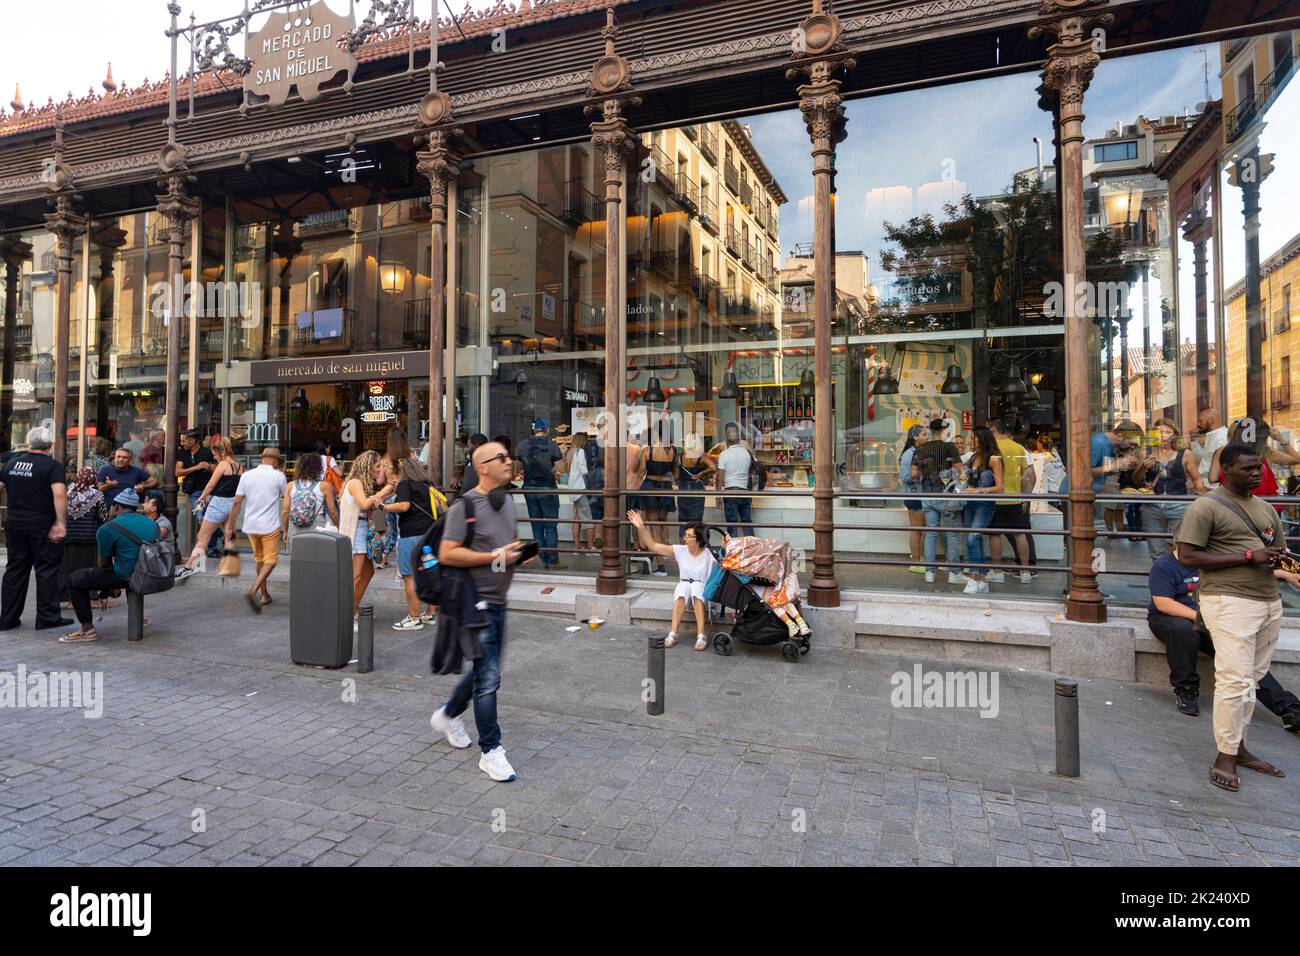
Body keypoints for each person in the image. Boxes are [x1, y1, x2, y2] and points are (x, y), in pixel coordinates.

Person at [1177, 443, 1292, 792]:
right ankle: (1225, 755)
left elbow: (1275, 551)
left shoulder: (1265, 508)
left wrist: (1280, 560)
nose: (1257, 473)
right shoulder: (1206, 506)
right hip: (1229, 603)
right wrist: (1247, 556)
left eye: (1259, 467)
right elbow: (1187, 556)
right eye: (1248, 468)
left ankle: (1238, 747)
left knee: (1249, 681)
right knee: (1234, 681)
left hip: (1268, 602)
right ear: (1226, 469)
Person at [428, 440, 533, 782]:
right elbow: (446, 553)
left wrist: (520, 554)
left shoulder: (507, 503)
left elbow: (503, 551)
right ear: (483, 467)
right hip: (476, 603)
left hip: (499, 601)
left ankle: (448, 714)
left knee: (484, 672)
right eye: (501, 457)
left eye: (509, 455)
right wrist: (494, 556)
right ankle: (492, 751)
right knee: (489, 678)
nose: (509, 461)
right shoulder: (465, 506)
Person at [1148, 528, 1300, 728]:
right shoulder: (1164, 565)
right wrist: (1204, 619)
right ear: (1182, 545)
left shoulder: (1209, 561)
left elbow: (1247, 568)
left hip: (1211, 619)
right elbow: (1163, 604)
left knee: (1243, 660)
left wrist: (1286, 575)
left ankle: (1289, 709)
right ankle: (1186, 689)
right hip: (1171, 618)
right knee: (1183, 630)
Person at [61, 488, 158, 644]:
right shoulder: (152, 524)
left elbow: (103, 563)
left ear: (116, 507)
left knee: (74, 579)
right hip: (150, 574)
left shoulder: (107, 528)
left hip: (126, 576)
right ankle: (137, 616)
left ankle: (87, 629)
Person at [0, 427, 70, 631]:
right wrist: (61, 523)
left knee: (15, 569)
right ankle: (47, 617)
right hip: (41, 524)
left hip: (14, 523)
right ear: (49, 445)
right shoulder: (53, 466)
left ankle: (8, 618)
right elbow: (59, 495)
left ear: (29, 443)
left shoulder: (11, 463)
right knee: (47, 568)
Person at [629, 510, 720, 651]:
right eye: (685, 535)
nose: (685, 538)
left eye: (689, 536)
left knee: (696, 585)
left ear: (699, 539)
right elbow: (653, 546)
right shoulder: (680, 550)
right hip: (686, 595)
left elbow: (726, 563)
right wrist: (641, 526)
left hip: (705, 596)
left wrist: (726, 545)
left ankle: (701, 634)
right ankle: (673, 632)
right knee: (683, 586)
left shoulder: (710, 554)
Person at [338, 450, 396, 630]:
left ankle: (353, 609)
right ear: (368, 465)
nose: (379, 470)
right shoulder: (355, 482)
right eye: (377, 466)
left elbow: (370, 502)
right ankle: (348, 614)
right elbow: (364, 504)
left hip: (361, 530)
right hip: (356, 531)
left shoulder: (359, 483)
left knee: (368, 572)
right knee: (356, 576)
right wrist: (385, 491)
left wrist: (384, 493)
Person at [1131, 418, 1205, 559]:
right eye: (1159, 432)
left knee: (1177, 548)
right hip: (1151, 506)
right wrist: (1143, 467)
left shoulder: (1185, 453)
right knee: (1156, 550)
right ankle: (1162, 579)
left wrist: (1199, 498)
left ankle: (1176, 579)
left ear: (1174, 434)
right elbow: (1136, 479)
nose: (1163, 435)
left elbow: (1197, 478)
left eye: (1167, 432)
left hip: (1179, 506)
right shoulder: (1146, 452)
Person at [382, 457, 441, 631]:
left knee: (410, 577)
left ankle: (414, 618)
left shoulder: (405, 484)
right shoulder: (427, 485)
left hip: (411, 535)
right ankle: (430, 614)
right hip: (430, 535)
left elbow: (404, 506)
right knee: (430, 574)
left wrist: (382, 506)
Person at [176, 438, 243, 581]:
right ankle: (227, 566)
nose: (214, 457)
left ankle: (190, 566)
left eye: (215, 454)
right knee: (228, 534)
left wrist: (201, 498)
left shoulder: (223, 464)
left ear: (222, 452)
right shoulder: (240, 467)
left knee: (202, 537)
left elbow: (211, 485)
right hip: (233, 504)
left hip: (218, 503)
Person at [1209, 417, 1300, 514]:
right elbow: (1296, 459)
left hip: (1232, 505)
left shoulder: (1222, 451)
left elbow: (1213, 478)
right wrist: (1281, 439)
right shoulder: (1265, 452)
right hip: (1265, 506)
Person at [910, 419, 962, 585]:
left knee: (931, 532)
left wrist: (926, 475)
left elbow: (913, 474)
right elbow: (961, 471)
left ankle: (929, 573)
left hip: (927, 496)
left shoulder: (921, 449)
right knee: (951, 533)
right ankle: (954, 573)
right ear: (944, 430)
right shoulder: (949, 447)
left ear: (931, 431)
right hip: (946, 495)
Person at [986, 418, 1035, 584]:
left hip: (995, 499)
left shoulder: (991, 449)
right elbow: (1028, 476)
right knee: (1020, 534)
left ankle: (997, 571)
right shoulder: (1019, 448)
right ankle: (1025, 572)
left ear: (993, 430)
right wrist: (1026, 500)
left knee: (994, 535)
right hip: (1015, 498)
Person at [959, 425, 1003, 595]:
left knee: (972, 537)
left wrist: (978, 490)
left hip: (985, 504)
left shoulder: (993, 458)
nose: (970, 441)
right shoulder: (974, 457)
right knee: (975, 540)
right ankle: (982, 579)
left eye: (972, 438)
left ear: (981, 439)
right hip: (970, 503)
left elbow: (1000, 487)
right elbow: (965, 477)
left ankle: (972, 578)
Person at [516, 419, 565, 569]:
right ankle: (553, 560)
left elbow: (517, 467)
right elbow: (561, 469)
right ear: (547, 430)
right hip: (547, 488)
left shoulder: (522, 445)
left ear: (533, 430)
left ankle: (544, 560)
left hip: (530, 488)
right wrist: (562, 455)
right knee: (550, 526)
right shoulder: (552, 445)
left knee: (536, 526)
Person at [59, 467, 109, 610]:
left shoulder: (66, 493)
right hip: (89, 539)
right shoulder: (97, 495)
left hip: (68, 539)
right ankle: (91, 599)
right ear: (93, 478)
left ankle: (71, 601)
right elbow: (103, 518)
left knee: (69, 569)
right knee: (89, 570)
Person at [1091, 421, 1142, 537]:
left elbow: (1104, 470)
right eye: (1131, 442)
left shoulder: (1110, 446)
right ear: (1120, 436)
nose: (1131, 447)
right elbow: (1084, 471)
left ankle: (1117, 531)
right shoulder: (1098, 443)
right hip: (1077, 495)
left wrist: (1124, 466)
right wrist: (1117, 465)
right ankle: (1111, 532)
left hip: (1094, 492)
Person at [282, 451, 339, 552]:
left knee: (297, 560)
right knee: (315, 559)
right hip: (316, 527)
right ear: (318, 468)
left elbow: (285, 512)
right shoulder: (324, 486)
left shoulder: (290, 485)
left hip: (295, 528)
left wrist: (285, 531)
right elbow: (333, 512)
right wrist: (338, 526)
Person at [641, 423, 678, 576]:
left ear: (656, 433)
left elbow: (640, 471)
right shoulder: (673, 451)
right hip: (666, 488)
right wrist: (665, 477)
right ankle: (654, 557)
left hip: (650, 487)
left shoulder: (647, 450)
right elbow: (675, 474)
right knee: (662, 526)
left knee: (654, 527)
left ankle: (660, 564)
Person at [176, 427, 215, 559]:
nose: (181, 443)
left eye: (184, 441)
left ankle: (211, 547)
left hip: (208, 491)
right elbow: (177, 472)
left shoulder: (207, 453)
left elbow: (215, 470)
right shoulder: (182, 452)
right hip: (194, 493)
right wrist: (197, 467)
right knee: (201, 517)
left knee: (210, 519)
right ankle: (208, 548)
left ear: (193, 441)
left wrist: (208, 467)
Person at [715, 421, 753, 539]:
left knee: (732, 526)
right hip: (745, 492)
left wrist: (717, 496)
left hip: (730, 493)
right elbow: (750, 472)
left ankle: (733, 554)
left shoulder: (724, 455)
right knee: (747, 524)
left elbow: (720, 478)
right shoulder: (746, 453)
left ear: (726, 437)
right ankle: (753, 551)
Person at [898, 424, 927, 574]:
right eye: (923, 434)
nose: (926, 437)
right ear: (915, 437)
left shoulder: (921, 451)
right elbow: (905, 477)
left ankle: (920, 558)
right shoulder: (909, 454)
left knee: (922, 530)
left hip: (923, 495)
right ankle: (916, 560)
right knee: (918, 529)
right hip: (914, 495)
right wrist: (922, 471)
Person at [676, 430, 713, 535]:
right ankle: (695, 546)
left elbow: (677, 475)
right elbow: (713, 467)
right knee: (696, 520)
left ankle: (683, 546)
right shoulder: (701, 456)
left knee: (683, 521)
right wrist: (701, 473)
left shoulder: (680, 457)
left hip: (683, 488)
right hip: (697, 488)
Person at [563, 431, 595, 551]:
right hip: (580, 490)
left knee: (576, 519)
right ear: (583, 441)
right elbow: (584, 470)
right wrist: (589, 478)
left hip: (572, 490)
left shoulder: (569, 452)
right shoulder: (580, 451)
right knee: (588, 519)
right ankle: (591, 547)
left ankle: (577, 547)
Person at [1191, 408, 1229, 490]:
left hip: (1212, 488)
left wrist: (1194, 473)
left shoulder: (1221, 438)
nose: (1197, 424)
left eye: (1200, 421)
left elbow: (1215, 467)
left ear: (1211, 421)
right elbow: (1206, 459)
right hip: (1205, 484)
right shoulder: (1212, 436)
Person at [1028, 434, 1065, 514]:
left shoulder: (1042, 458)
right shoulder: (1055, 456)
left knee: (1052, 513)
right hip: (1059, 487)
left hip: (1050, 490)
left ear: (1040, 445)